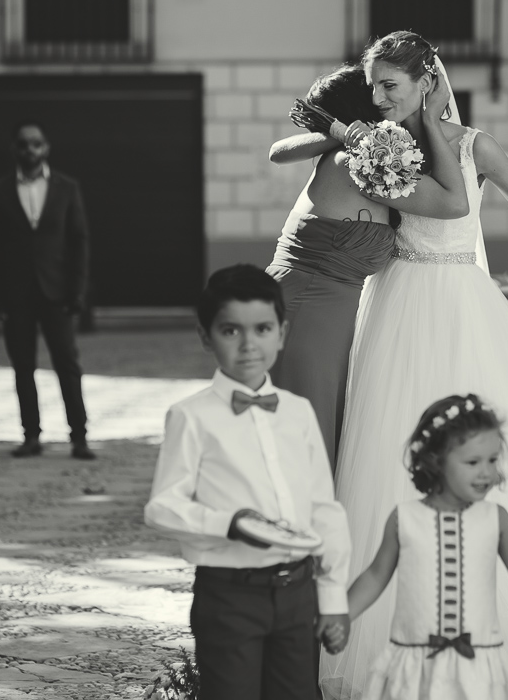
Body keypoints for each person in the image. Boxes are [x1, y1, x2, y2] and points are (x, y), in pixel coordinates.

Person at [315, 30, 508, 700]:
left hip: (463, 301)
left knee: (494, 446)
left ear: (425, 81)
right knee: (388, 447)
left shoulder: (473, 146)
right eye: (373, 87)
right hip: (397, 302)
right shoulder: (377, 148)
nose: (378, 99)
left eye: (389, 86)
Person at [144, 265, 352, 700]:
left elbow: (323, 508)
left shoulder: (297, 412)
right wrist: (229, 522)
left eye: (262, 328)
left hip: (298, 593)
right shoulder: (191, 417)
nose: (249, 344)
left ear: (282, 332)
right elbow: (162, 507)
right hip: (229, 595)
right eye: (231, 331)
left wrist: (332, 600)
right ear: (207, 337)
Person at [266, 64, 468, 466]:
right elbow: (453, 204)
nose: (383, 98)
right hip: (308, 307)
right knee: (307, 437)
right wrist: (427, 118)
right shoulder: (357, 162)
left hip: (325, 309)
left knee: (322, 429)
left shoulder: (354, 153)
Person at [343, 394, 508, 700]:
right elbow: (374, 576)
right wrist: (340, 614)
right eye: (473, 462)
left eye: (492, 460)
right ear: (435, 461)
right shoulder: (405, 519)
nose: (486, 472)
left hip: (479, 666)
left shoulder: (495, 518)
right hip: (416, 666)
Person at [0, 122, 93, 460]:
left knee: (67, 365)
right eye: (24, 144)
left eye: (36, 143)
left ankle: (80, 437)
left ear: (46, 148)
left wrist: (78, 291)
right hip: (16, 295)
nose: (30, 149)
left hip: (56, 292)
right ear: (15, 149)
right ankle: (31, 436)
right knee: (22, 367)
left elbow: (79, 242)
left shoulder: (67, 188)